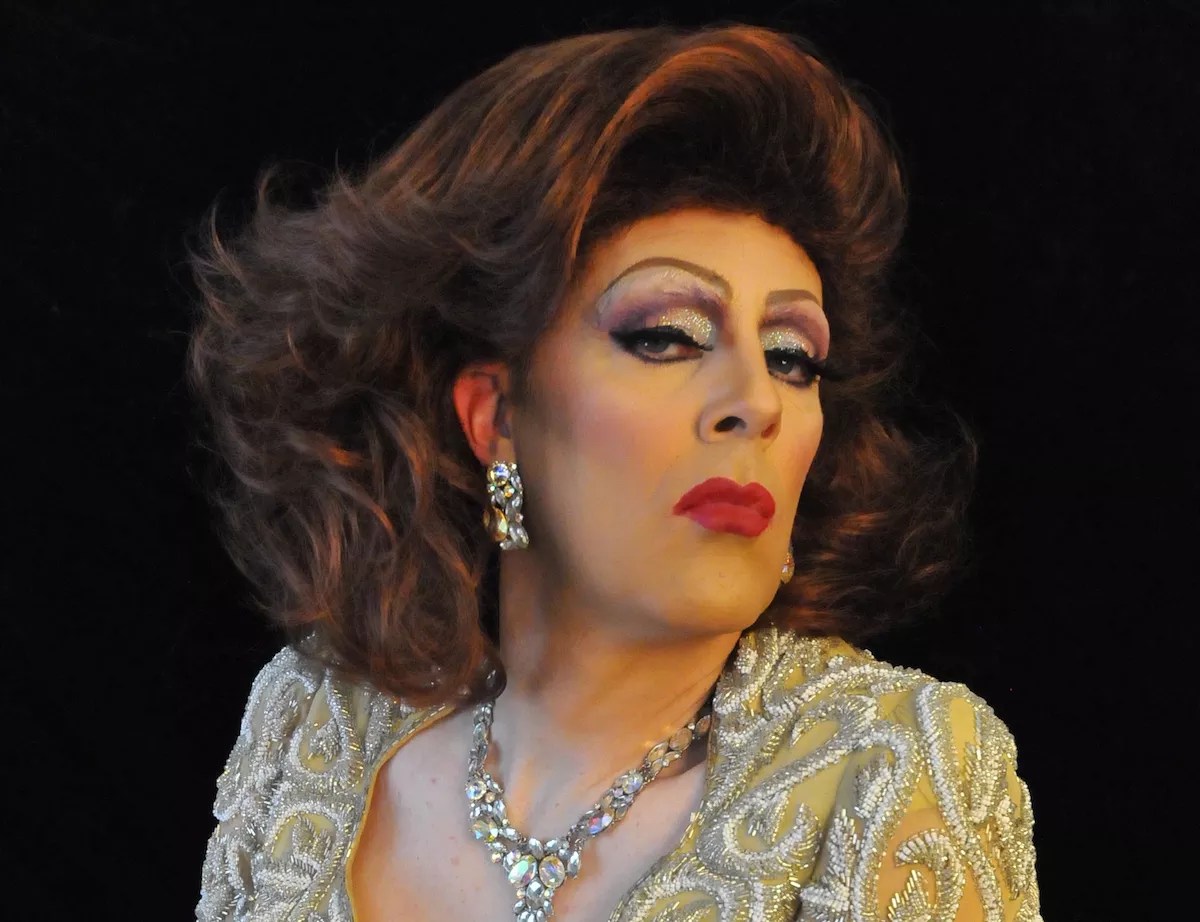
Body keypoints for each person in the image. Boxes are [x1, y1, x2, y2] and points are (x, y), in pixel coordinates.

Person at [187, 23, 1040, 922]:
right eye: (668, 337)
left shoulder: (889, 771)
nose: (756, 401)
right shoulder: (314, 722)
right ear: (497, 417)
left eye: (792, 356)